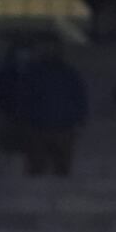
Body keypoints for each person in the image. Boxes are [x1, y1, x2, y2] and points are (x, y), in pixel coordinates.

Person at [22, 35, 88, 176]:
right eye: (47, 47)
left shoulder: (69, 73)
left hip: (64, 128)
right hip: (38, 128)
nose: (51, 50)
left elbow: (79, 96)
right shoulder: (33, 73)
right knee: (36, 171)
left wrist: (79, 118)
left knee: (62, 171)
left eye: (54, 47)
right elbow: (24, 98)